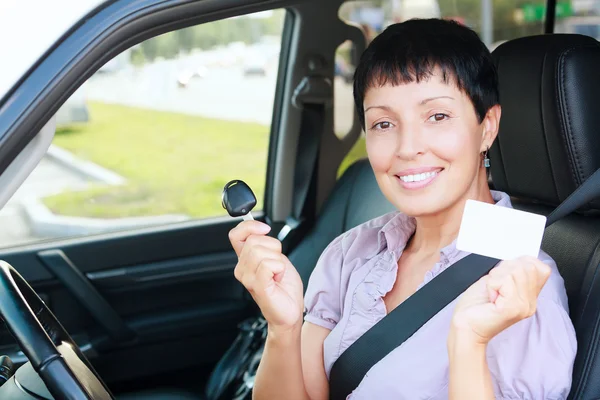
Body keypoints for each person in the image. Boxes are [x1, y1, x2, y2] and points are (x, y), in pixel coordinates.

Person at [228, 18, 577, 399]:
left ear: (487, 127)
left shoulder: (521, 288)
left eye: (437, 116)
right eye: (383, 123)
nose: (407, 147)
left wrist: (469, 342)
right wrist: (283, 327)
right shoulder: (351, 253)